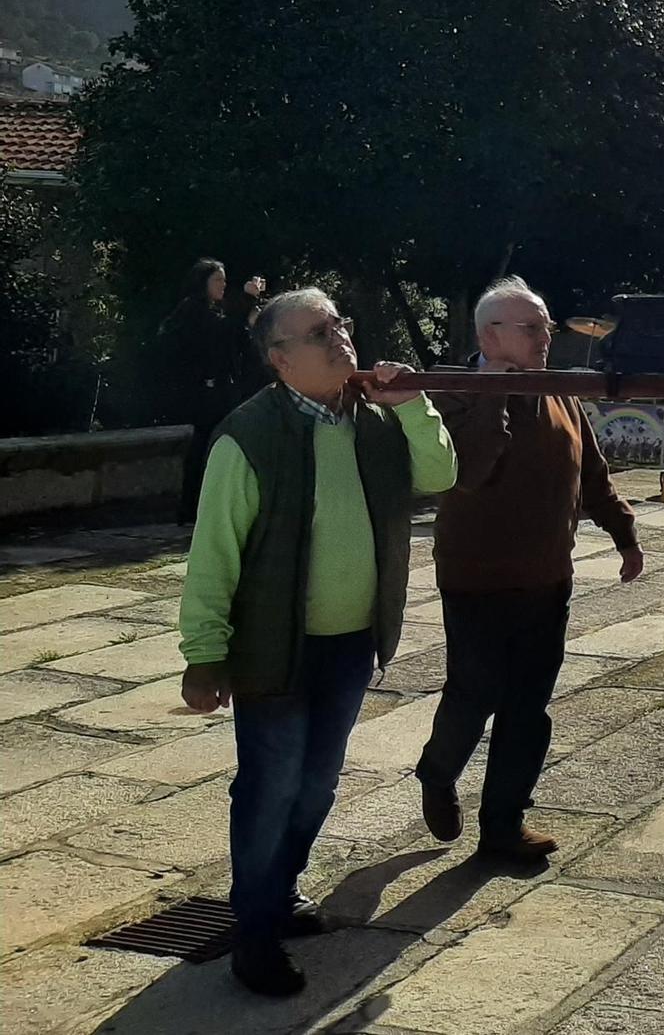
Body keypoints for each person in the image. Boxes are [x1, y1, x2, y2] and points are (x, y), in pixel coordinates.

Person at [177, 289, 456, 997]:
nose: (340, 339)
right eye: (319, 331)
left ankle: (280, 896)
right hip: (275, 646)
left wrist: (413, 403)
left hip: (350, 642)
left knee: (318, 784)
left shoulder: (372, 423)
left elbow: (440, 474)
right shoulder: (250, 435)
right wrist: (203, 654)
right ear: (280, 359)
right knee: (270, 789)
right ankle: (255, 934)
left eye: (340, 325)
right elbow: (215, 553)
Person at [416, 277, 642, 863]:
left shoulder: (559, 391)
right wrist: (494, 389)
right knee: (474, 692)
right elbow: (471, 471)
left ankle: (503, 826)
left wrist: (624, 534)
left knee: (527, 707)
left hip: (547, 577)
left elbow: (589, 472)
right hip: (477, 576)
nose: (547, 336)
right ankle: (438, 772)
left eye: (544, 325)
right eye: (533, 327)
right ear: (491, 335)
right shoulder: (454, 391)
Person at [161, 259, 266, 523]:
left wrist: (250, 317)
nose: (223, 285)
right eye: (217, 280)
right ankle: (192, 507)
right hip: (205, 394)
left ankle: (209, 504)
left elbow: (233, 341)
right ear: (203, 283)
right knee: (205, 448)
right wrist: (246, 299)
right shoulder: (192, 310)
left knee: (218, 447)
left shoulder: (213, 310)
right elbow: (215, 335)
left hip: (222, 391)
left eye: (224, 280)